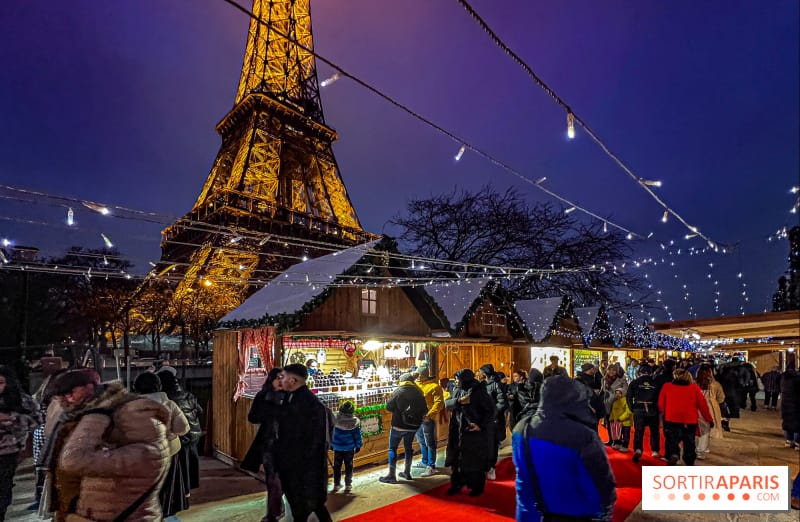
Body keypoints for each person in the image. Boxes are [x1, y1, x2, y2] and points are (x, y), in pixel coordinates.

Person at [43, 369, 171, 521]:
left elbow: (73, 459)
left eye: (70, 393)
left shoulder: (145, 451)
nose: (67, 400)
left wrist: (96, 415)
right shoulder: (127, 439)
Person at [512, 374, 616, 522]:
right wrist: (604, 513)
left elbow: (523, 483)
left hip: (542, 513)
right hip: (580, 514)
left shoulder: (522, 429)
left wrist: (526, 517)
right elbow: (600, 484)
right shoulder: (583, 435)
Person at [274, 363, 332, 522]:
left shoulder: (311, 405)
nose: (281, 380)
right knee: (303, 509)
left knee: (309, 508)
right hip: (292, 467)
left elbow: (315, 443)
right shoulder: (288, 398)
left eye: (283, 377)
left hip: (304, 470)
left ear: (293, 380)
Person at [134, 372, 190, 520]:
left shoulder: (131, 408)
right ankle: (166, 514)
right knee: (167, 487)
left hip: (142, 454)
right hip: (169, 452)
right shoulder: (169, 404)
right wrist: (169, 434)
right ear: (158, 386)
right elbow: (184, 428)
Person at [242, 368, 285, 522]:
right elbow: (253, 417)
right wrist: (269, 411)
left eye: (283, 377)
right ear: (271, 379)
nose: (281, 381)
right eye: (278, 377)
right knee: (272, 479)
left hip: (289, 443)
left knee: (284, 478)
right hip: (269, 442)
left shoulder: (290, 395)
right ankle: (273, 513)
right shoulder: (263, 396)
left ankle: (278, 507)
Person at [444, 369, 494, 497]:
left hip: (472, 432)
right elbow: (447, 404)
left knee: (473, 461)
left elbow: (489, 411)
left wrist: (480, 425)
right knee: (456, 460)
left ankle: (476, 487)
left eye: (457, 379)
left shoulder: (478, 391)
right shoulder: (457, 389)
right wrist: (458, 401)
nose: (455, 382)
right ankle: (456, 484)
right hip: (457, 430)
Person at [0, 366, 41, 521]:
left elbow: (37, 421)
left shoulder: (22, 400)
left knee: (3, 487)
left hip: (7, 452)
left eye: (1, 382)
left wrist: (12, 419)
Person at [157, 370, 204, 491]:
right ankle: (190, 485)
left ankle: (182, 490)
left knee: (180, 466)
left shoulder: (166, 400)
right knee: (191, 462)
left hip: (179, 437)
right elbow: (200, 411)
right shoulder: (188, 395)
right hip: (194, 434)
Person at [658, 368, 713, 466]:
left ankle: (673, 454)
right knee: (689, 441)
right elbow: (702, 405)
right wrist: (709, 419)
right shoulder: (694, 388)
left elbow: (661, 404)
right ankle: (689, 459)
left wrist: (665, 413)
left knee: (672, 439)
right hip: (689, 420)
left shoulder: (667, 386)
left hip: (672, 418)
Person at [380, 372, 427, 484]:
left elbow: (389, 407)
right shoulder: (418, 392)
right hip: (413, 426)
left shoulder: (399, 391)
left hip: (398, 425)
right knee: (408, 448)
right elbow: (425, 410)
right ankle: (407, 472)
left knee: (393, 449)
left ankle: (392, 475)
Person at [475, 363, 507, 481]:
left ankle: (491, 467)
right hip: (482, 420)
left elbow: (502, 402)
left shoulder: (496, 385)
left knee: (491, 445)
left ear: (484, 373)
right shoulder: (481, 385)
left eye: (479, 371)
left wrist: (492, 414)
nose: (477, 374)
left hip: (493, 421)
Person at [626, 364, 661, 462]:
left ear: (639, 372)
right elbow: (660, 398)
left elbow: (628, 397)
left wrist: (632, 408)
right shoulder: (655, 382)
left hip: (639, 409)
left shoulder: (635, 382)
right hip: (652, 409)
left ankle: (638, 449)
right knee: (654, 431)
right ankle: (655, 450)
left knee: (639, 431)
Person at [414, 364, 444, 477]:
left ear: (424, 375)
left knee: (430, 442)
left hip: (427, 418)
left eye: (419, 374)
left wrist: (430, 414)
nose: (417, 376)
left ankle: (431, 465)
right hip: (416, 418)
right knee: (421, 440)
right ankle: (424, 461)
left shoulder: (434, 386)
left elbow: (439, 403)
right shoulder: (415, 385)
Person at [330, 401, 363, 494]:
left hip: (337, 447)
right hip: (349, 448)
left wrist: (331, 445)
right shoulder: (354, 422)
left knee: (337, 466)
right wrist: (358, 445)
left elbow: (332, 434)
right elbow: (357, 436)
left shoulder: (335, 420)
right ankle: (348, 485)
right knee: (349, 466)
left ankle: (336, 484)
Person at [695, 364, 725, 459]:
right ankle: (701, 449)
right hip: (710, 407)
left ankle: (697, 448)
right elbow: (721, 398)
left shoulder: (694, 383)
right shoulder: (716, 384)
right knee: (706, 430)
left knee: (696, 429)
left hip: (695, 407)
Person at [780, 364, 800, 450]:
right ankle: (797, 442)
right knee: (797, 424)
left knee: (787, 421)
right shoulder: (797, 379)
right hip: (796, 403)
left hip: (785, 403)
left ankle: (789, 440)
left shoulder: (784, 378)